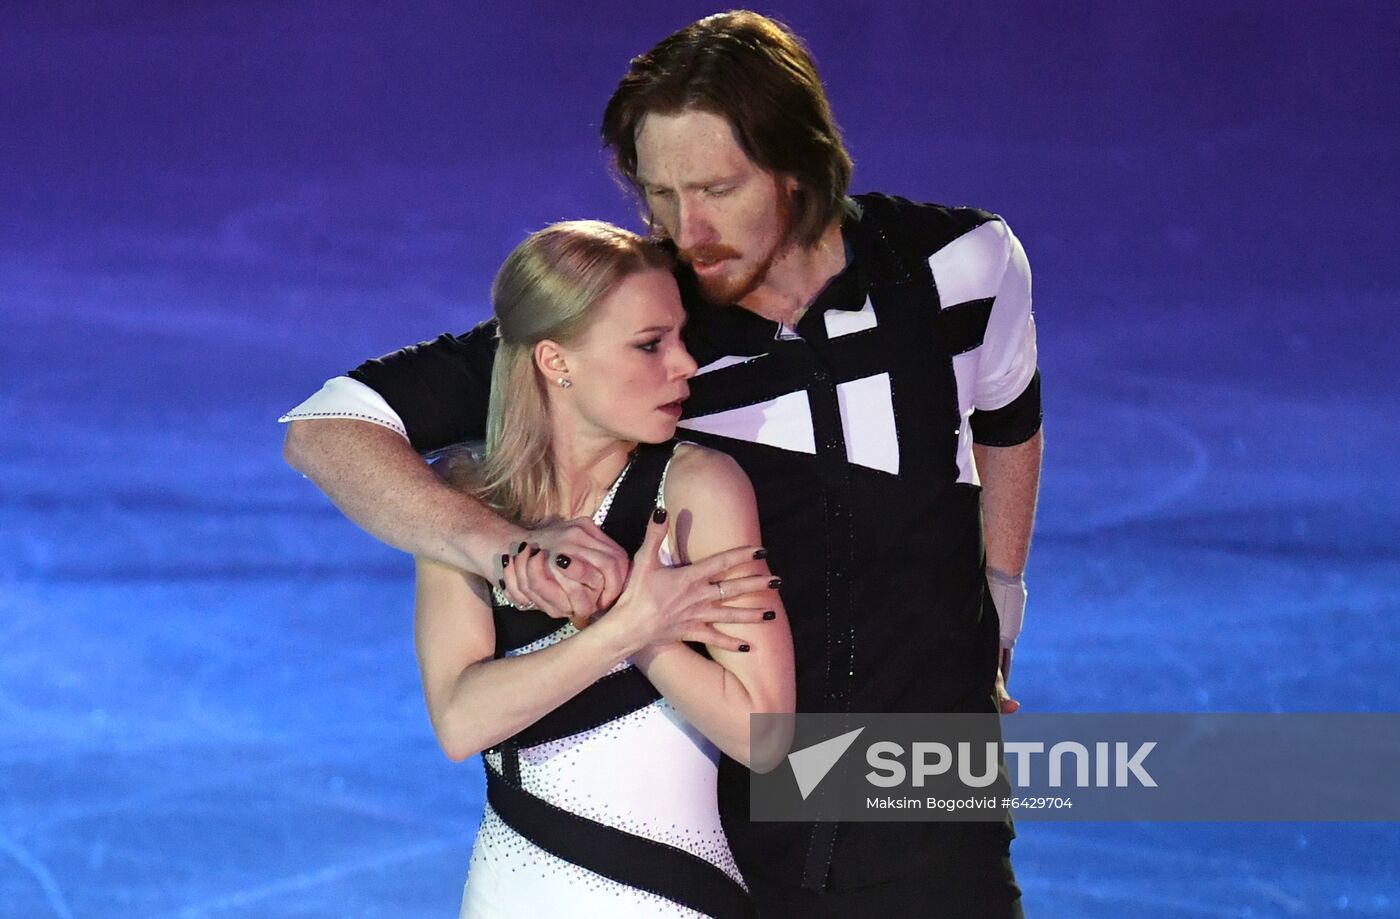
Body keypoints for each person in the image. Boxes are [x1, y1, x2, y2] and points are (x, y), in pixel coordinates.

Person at [281, 11, 1041, 916]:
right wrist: (505, 552)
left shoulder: (963, 263)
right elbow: (329, 427)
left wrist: (997, 607)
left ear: (798, 164)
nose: (689, 229)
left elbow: (1006, 416)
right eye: (661, 196)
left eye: (717, 188)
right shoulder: (641, 332)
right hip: (746, 828)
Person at [411, 220, 794, 917]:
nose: (685, 364)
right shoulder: (470, 503)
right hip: (508, 895)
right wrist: (623, 629)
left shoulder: (698, 490)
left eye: (680, 338)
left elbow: (764, 738)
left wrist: (647, 634)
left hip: (673, 900)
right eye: (650, 345)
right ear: (556, 360)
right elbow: (462, 720)